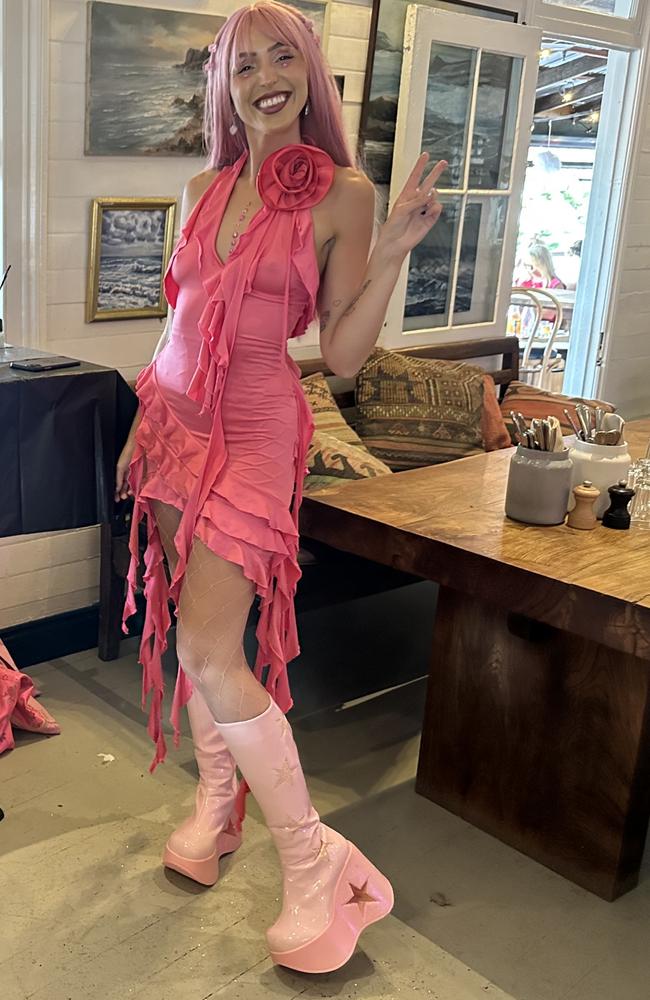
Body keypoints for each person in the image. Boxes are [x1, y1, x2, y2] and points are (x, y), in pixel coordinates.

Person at [114, 0, 445, 976]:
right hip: (174, 427)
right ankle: (219, 802)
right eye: (245, 60)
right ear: (224, 81)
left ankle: (316, 861)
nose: (265, 75)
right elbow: (175, 322)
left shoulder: (344, 192)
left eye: (282, 56)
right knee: (185, 622)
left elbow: (339, 352)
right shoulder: (201, 186)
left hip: (256, 432)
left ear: (309, 70)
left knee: (213, 649)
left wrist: (383, 258)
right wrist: (145, 418)